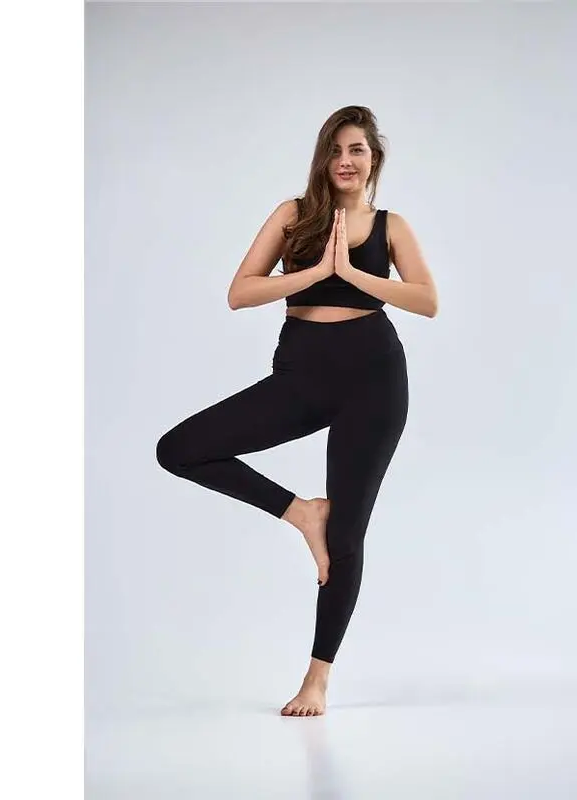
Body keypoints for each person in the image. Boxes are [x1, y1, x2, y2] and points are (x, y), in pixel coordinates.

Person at [155, 106, 438, 716]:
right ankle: (301, 512)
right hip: (302, 376)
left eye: (357, 149)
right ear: (322, 158)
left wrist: (354, 275)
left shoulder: (390, 226)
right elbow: (241, 293)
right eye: (336, 149)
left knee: (348, 535)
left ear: (374, 159)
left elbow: (427, 300)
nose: (346, 160)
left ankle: (316, 680)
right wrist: (315, 272)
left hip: (374, 380)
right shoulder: (294, 216)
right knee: (178, 449)